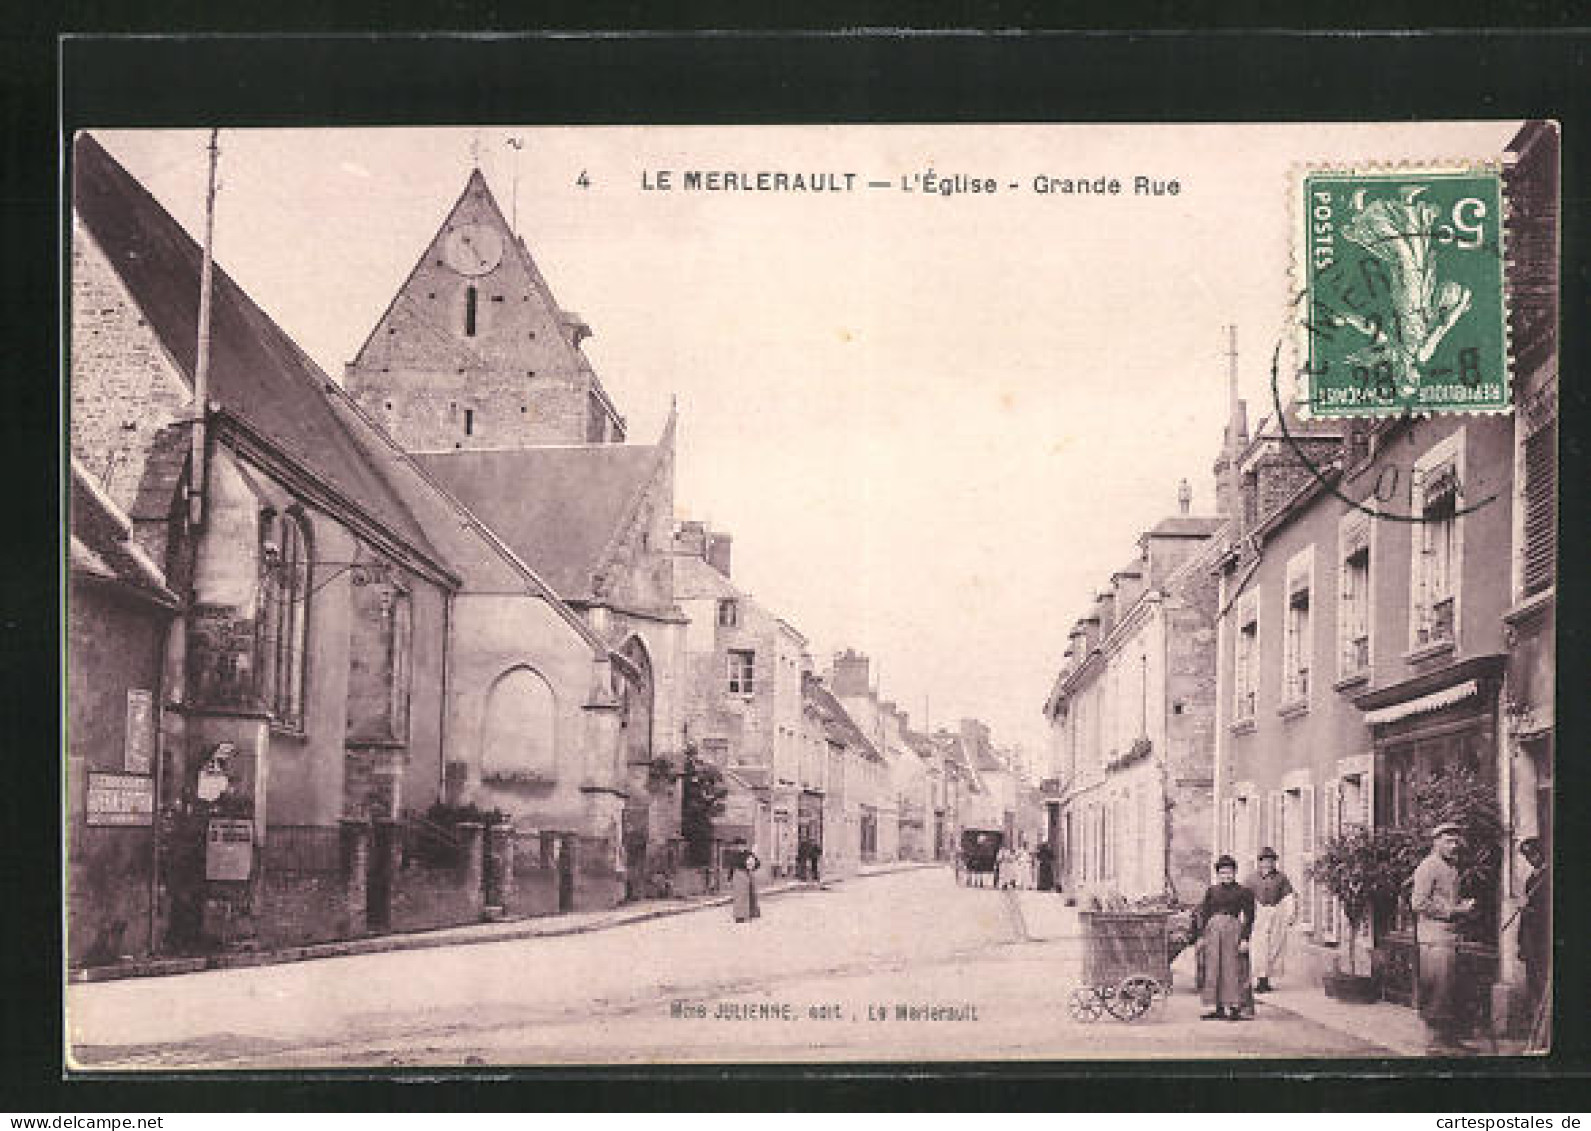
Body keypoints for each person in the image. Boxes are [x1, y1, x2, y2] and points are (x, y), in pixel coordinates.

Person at [1410, 822, 1476, 1054]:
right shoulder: (1428, 867)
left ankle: (1448, 1039)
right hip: (1434, 937)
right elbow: (1418, 903)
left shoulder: (1451, 868)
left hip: (1449, 936)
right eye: (1448, 841)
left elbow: (1442, 900)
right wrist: (1454, 911)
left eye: (1456, 841)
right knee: (1437, 988)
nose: (1454, 845)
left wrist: (1460, 907)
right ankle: (1434, 1042)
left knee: (1449, 988)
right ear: (1436, 841)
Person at [1192, 854, 1256, 1021]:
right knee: (1214, 968)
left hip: (1233, 932)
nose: (1226, 876)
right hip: (1213, 932)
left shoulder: (1244, 892)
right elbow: (1204, 914)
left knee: (1232, 968)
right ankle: (1218, 1008)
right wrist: (1201, 935)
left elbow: (1249, 918)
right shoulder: (1212, 891)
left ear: (1235, 873)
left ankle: (1235, 1008)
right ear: (1218, 874)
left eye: (1229, 872)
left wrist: (1245, 939)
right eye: (1222, 873)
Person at [1248, 847, 1297, 993]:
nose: (1268, 864)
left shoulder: (1281, 878)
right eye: (1264, 861)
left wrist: (1291, 914)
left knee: (1274, 946)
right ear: (1259, 862)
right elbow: (1244, 897)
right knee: (1259, 946)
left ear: (1274, 862)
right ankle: (1260, 979)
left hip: (1276, 912)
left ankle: (1267, 979)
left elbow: (1289, 896)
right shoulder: (1252, 878)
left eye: (1271, 861)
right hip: (1258, 913)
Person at [1517, 837, 1550, 1022]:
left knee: (1540, 979)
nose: (1530, 859)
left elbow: (1547, 913)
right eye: (1527, 855)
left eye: (1533, 854)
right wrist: (1520, 942)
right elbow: (1525, 916)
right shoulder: (1532, 879)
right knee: (1532, 980)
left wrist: (1528, 909)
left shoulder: (1548, 878)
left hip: (1541, 939)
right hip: (1530, 939)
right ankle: (1535, 1023)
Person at [728, 838, 762, 923]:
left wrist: (752, 866)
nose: (740, 847)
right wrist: (730, 878)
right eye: (738, 846)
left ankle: (751, 913)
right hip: (738, 876)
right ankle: (739, 916)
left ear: (745, 846)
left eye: (742, 845)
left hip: (748, 875)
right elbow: (732, 867)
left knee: (751, 894)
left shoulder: (749, 854)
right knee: (739, 896)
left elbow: (757, 863)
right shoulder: (734, 855)